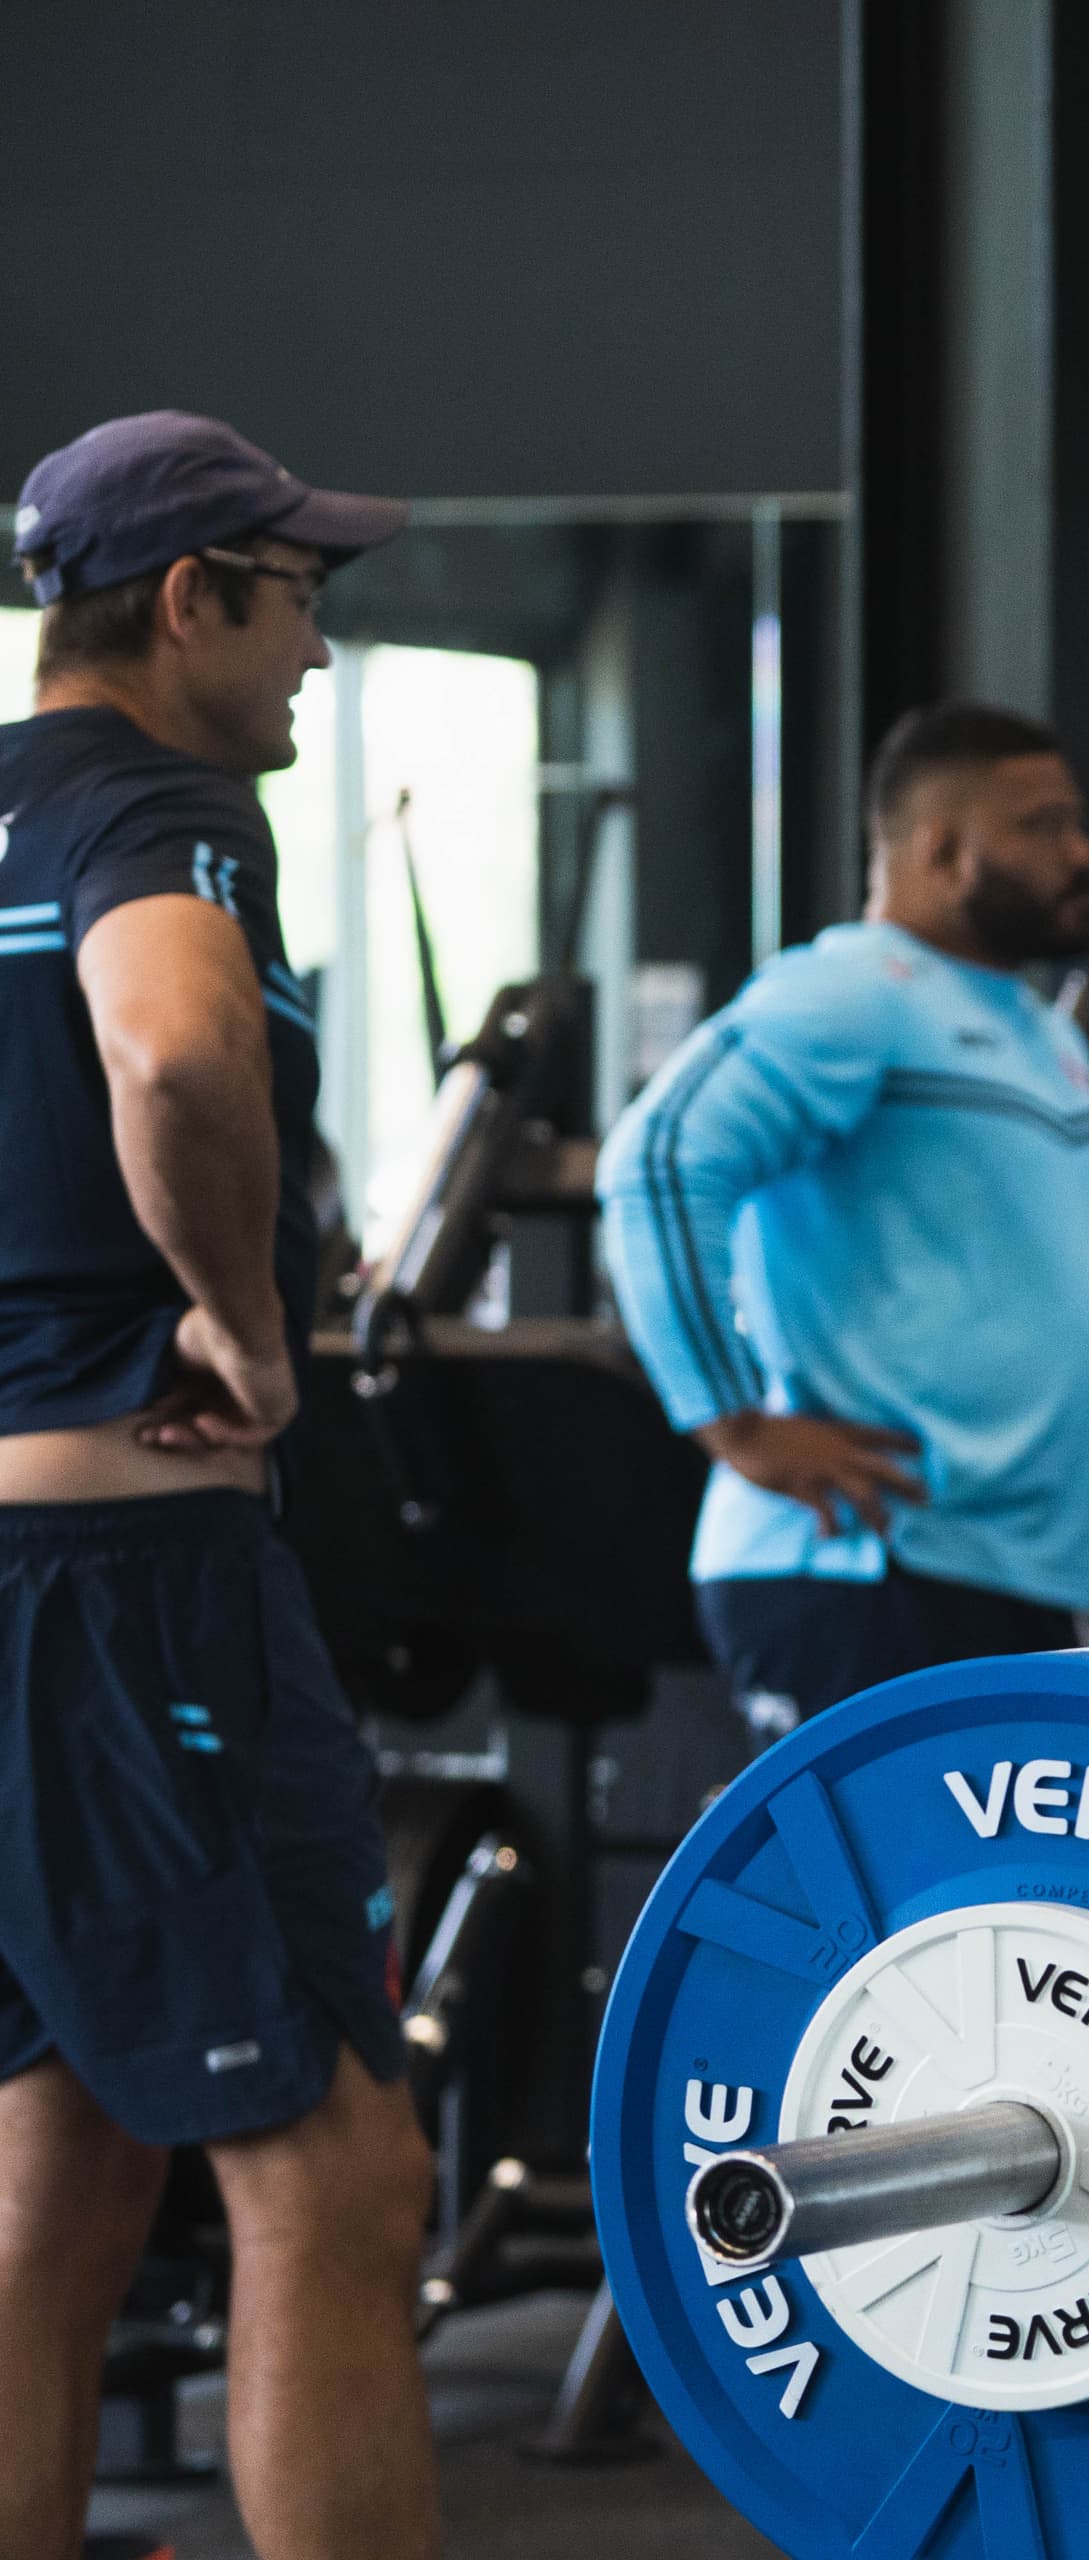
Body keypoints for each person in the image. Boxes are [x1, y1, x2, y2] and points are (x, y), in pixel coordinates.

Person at [0, 412, 440, 2557]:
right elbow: (173, 1044)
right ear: (192, 599)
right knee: (340, 2172)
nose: (318, 662)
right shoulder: (153, 804)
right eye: (301, 605)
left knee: (52, 2190)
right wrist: (252, 1326)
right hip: (129, 1579)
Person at [597, 703, 1089, 1735]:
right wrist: (734, 1422)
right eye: (1044, 825)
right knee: (873, 1901)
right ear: (943, 849)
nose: (1083, 853)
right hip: (865, 1562)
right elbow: (658, 1162)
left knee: (1001, 1902)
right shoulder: (850, 993)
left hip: (1013, 1570)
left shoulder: (1045, 1040)